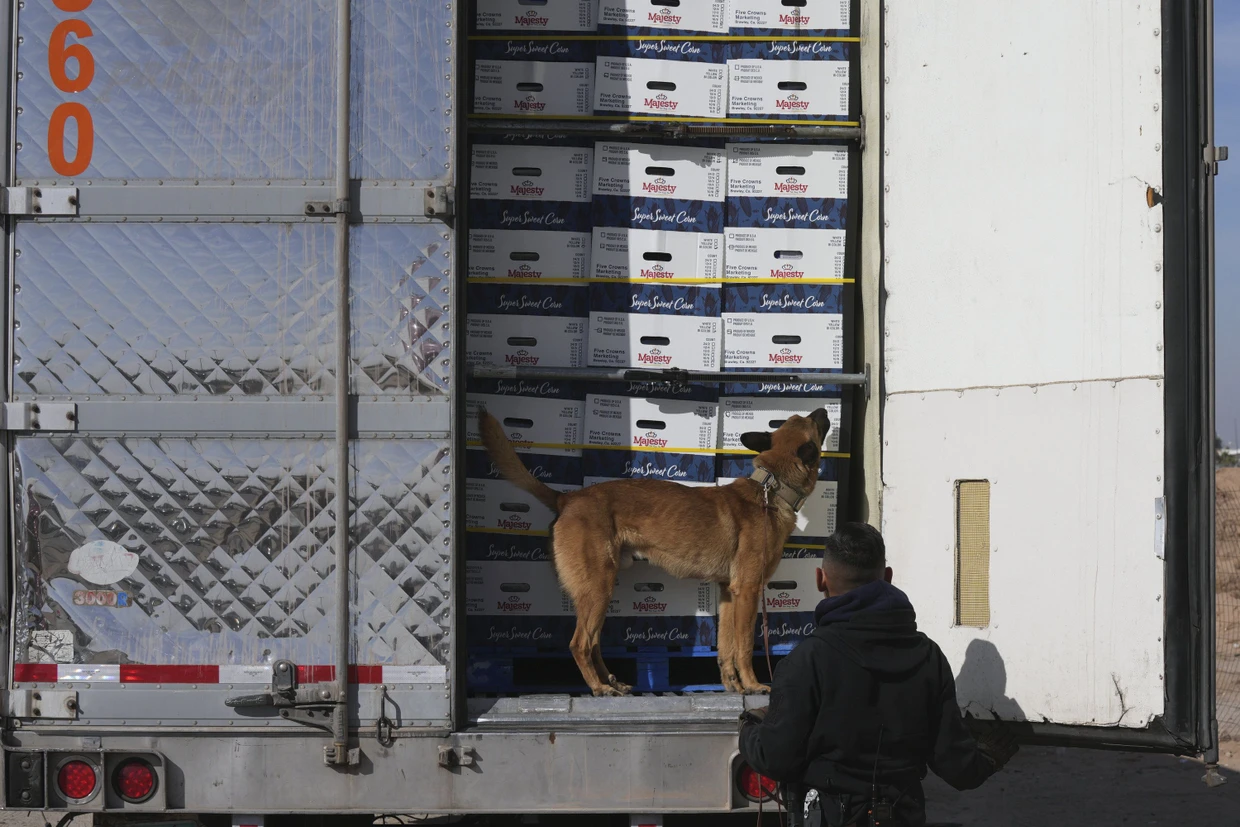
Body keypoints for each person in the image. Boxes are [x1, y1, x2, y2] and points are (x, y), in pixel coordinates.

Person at [738, 523, 1017, 826]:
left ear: (821, 580)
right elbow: (957, 767)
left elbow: (775, 758)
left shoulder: (806, 661)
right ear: (887, 578)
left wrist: (750, 729)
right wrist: (988, 758)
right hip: (903, 814)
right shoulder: (929, 657)